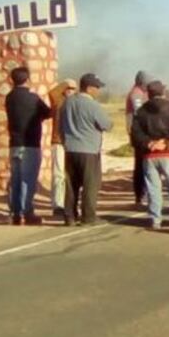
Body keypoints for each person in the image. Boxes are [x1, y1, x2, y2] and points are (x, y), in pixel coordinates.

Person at [131, 81, 169, 230]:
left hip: (149, 155)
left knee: (153, 187)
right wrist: (168, 141)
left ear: (148, 94)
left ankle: (155, 219)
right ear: (162, 92)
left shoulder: (141, 111)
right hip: (167, 152)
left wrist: (149, 143)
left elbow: (135, 134)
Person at [60, 73, 114, 226]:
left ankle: (69, 216)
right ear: (89, 88)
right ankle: (88, 217)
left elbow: (60, 125)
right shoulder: (93, 105)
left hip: (70, 148)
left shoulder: (68, 102)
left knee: (71, 184)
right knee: (90, 184)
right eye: (96, 87)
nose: (98, 90)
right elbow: (106, 125)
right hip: (89, 149)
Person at [5, 67, 51, 225]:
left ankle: (15, 213)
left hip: (14, 143)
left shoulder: (9, 97)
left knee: (16, 179)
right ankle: (26, 212)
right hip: (30, 143)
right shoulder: (33, 98)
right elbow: (47, 113)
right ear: (27, 79)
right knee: (27, 180)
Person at [47, 78, 77, 217]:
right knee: (58, 175)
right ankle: (57, 204)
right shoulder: (58, 103)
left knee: (70, 176)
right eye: (68, 89)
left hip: (72, 143)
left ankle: (69, 203)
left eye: (73, 89)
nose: (70, 91)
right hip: (58, 142)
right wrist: (66, 83)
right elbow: (52, 93)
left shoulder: (76, 104)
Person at [125, 70, 152, 207]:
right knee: (141, 165)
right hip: (139, 134)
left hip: (144, 133)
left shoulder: (143, 93)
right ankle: (140, 195)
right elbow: (139, 113)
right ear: (141, 82)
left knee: (146, 164)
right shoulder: (136, 94)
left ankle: (144, 193)